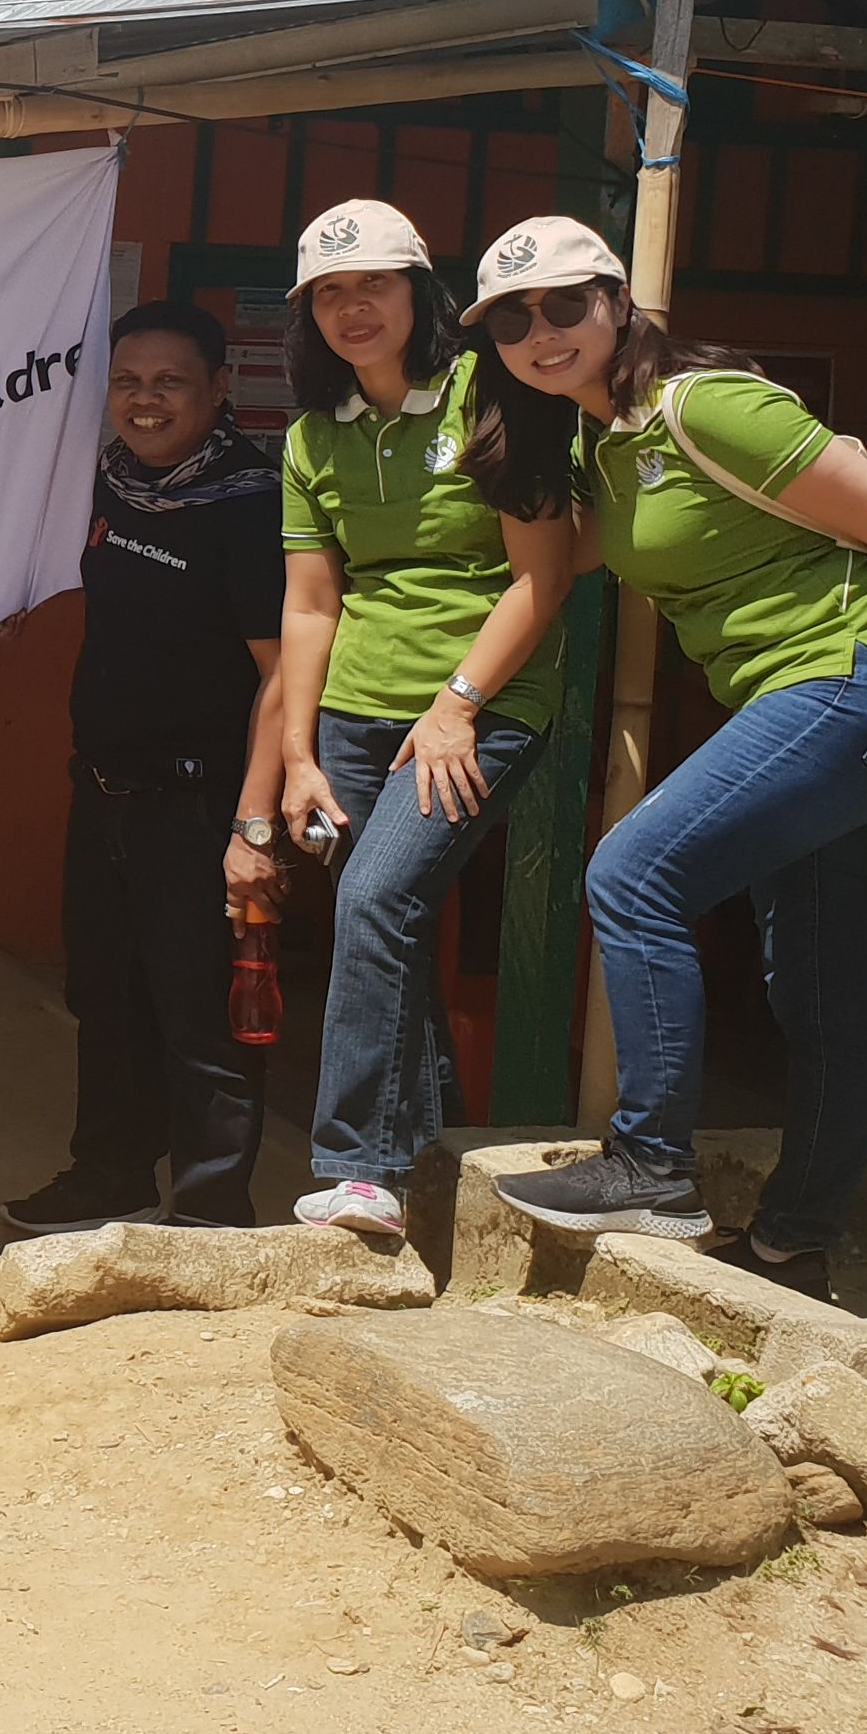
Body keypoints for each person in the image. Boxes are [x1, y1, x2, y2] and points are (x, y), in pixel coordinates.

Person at [463, 215, 867, 1293]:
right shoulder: (607, 443)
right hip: (842, 697)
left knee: (633, 874)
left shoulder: (705, 405)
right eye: (510, 319)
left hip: (865, 675)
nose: (540, 331)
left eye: (563, 305)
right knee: (819, 988)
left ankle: (649, 1163)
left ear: (617, 304)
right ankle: (792, 1248)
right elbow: (555, 561)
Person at [273, 200, 582, 1242]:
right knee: (383, 923)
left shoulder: (494, 395)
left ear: (421, 294)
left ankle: (357, 1165)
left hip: (482, 709)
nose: (353, 307)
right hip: (355, 714)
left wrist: (458, 707)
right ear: (308, 314)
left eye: (374, 285)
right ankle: (429, 1161)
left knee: (375, 902)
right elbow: (312, 605)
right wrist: (295, 755)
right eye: (330, 292)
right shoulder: (312, 436)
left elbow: (543, 580)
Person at [6, 301, 288, 1235]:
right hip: (105, 791)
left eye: (169, 383)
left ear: (217, 389)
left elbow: (283, 676)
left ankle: (210, 1208)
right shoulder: (112, 484)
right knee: (105, 998)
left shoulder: (249, 507)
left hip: (198, 803)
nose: (145, 401)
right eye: (128, 382)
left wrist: (253, 823)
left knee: (197, 1012)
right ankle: (108, 1175)